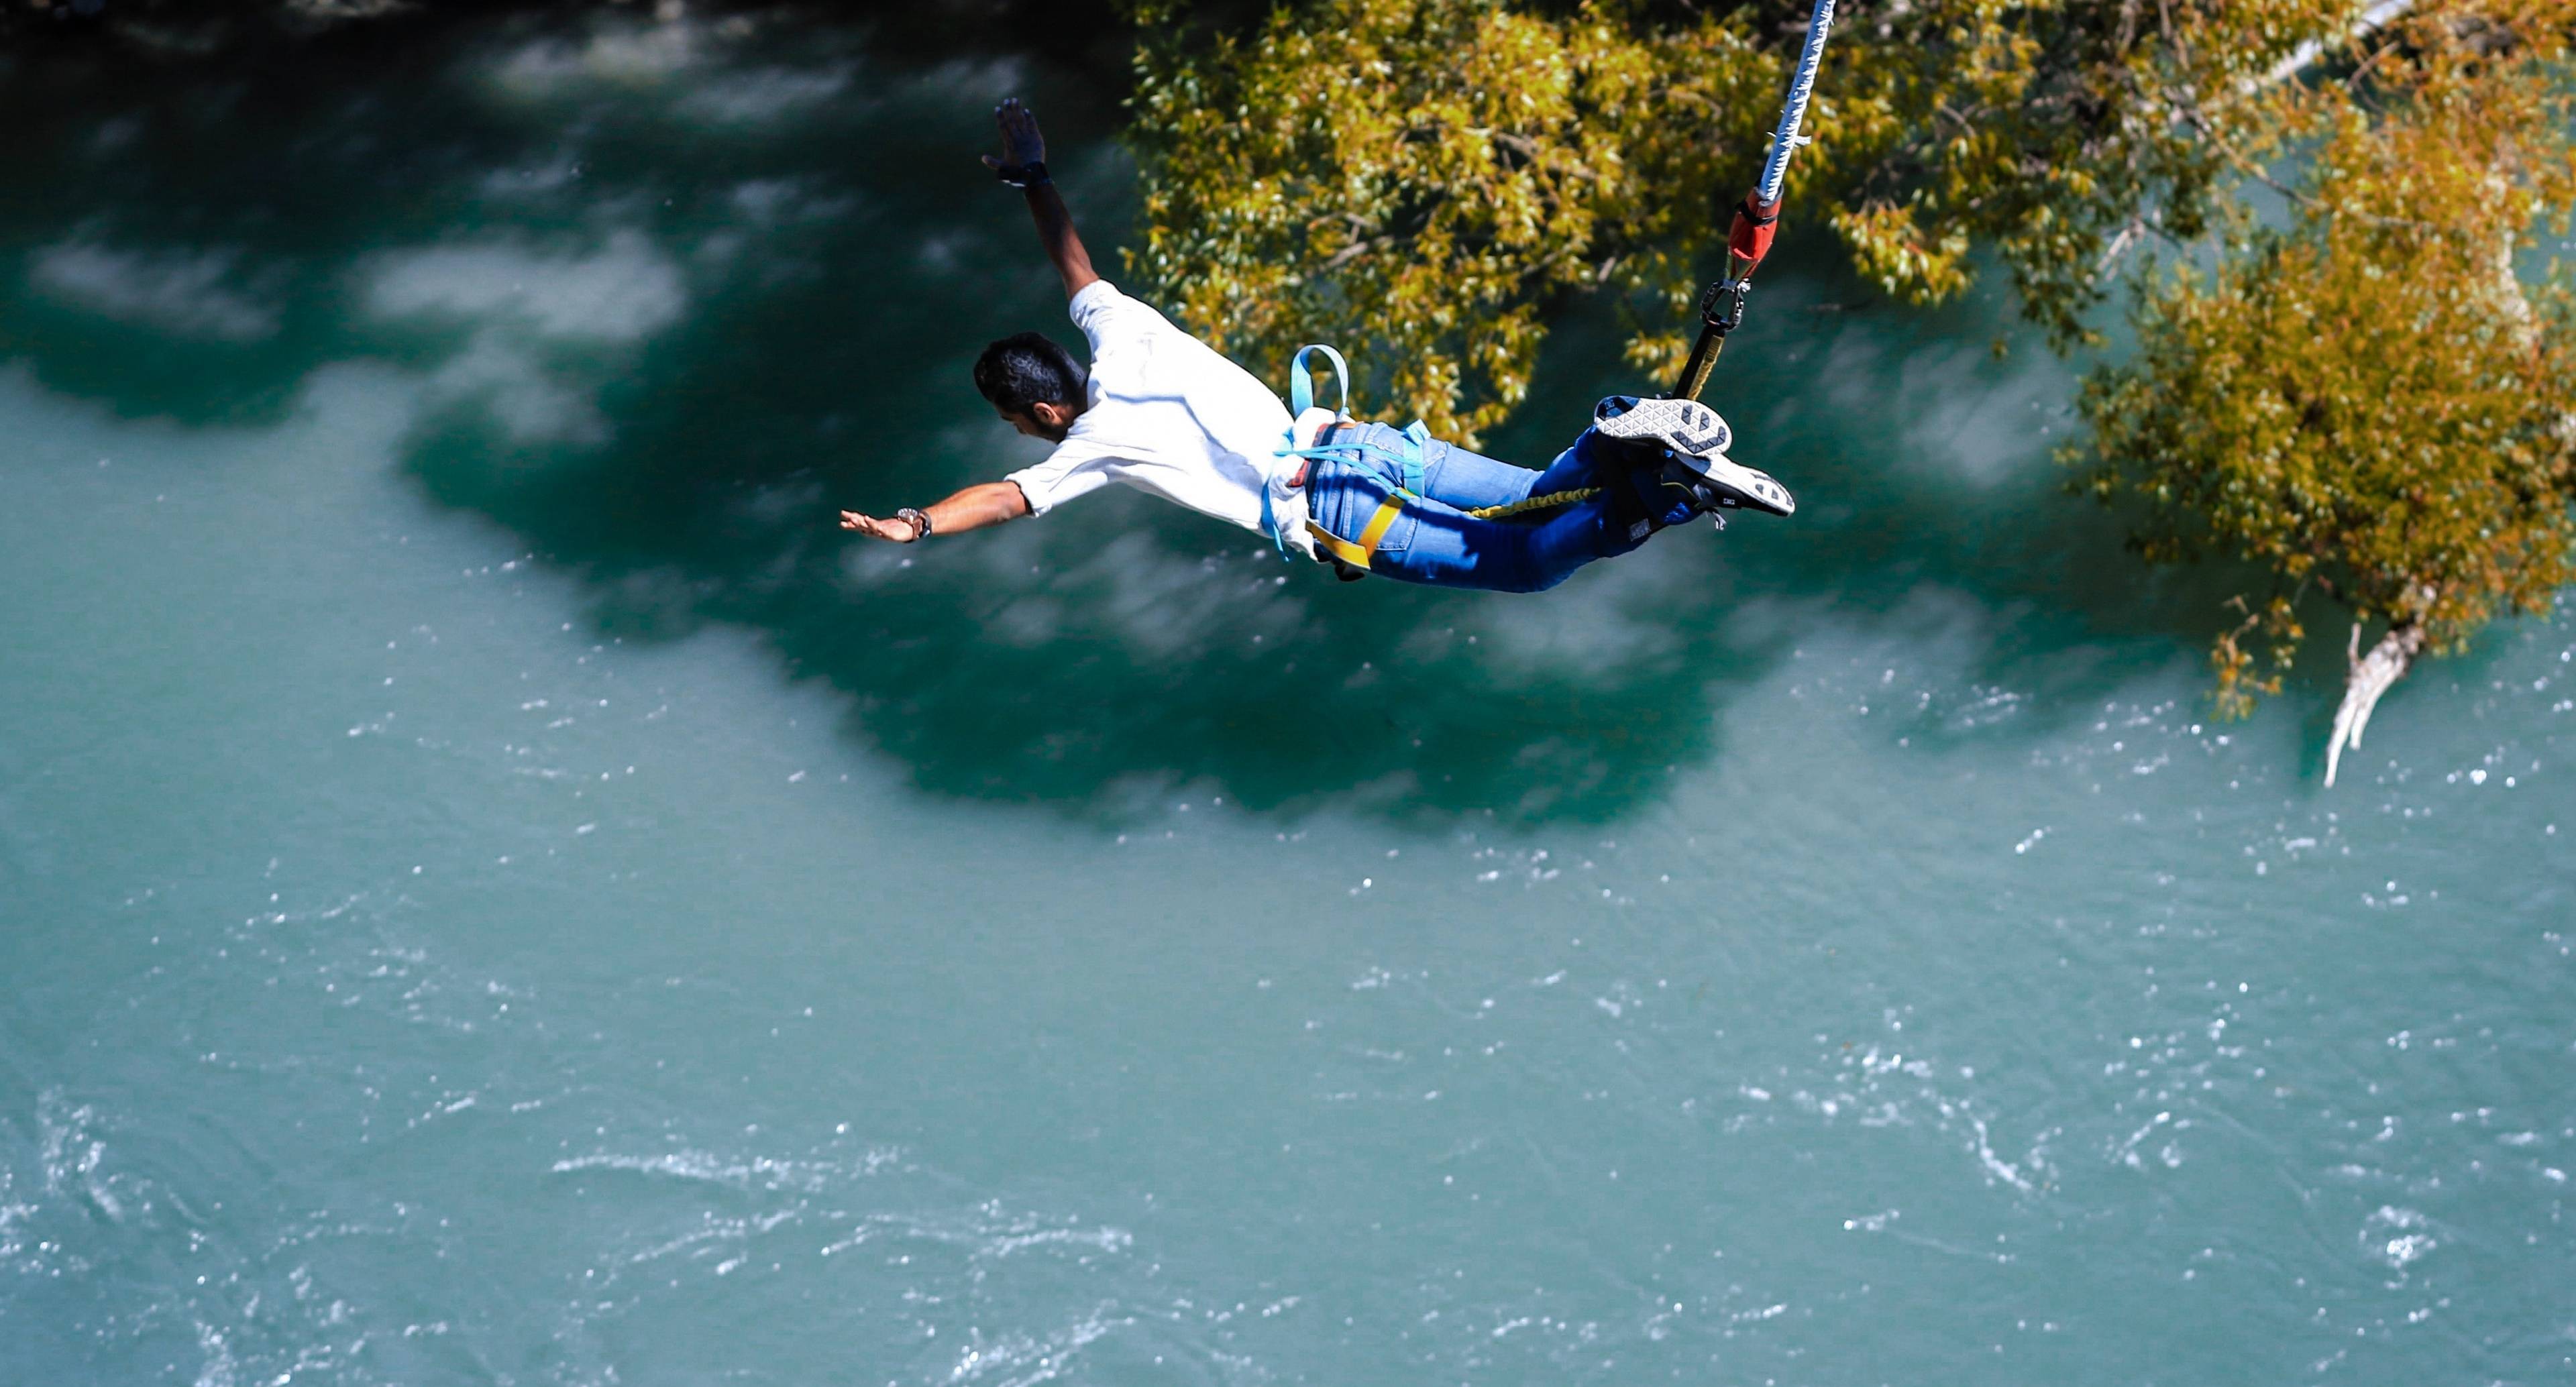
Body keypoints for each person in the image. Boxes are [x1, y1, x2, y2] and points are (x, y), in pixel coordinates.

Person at [837, 98, 1795, 593]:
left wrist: (914, 524)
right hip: (1354, 441)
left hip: (1336, 505)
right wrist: (1034, 174)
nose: (1019, 438)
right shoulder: (1120, 329)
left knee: (1527, 563)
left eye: (1014, 421)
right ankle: (1632, 442)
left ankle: (1664, 481)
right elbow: (1073, 263)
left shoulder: (1092, 447)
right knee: (1534, 495)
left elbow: (1006, 500)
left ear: (1044, 411)